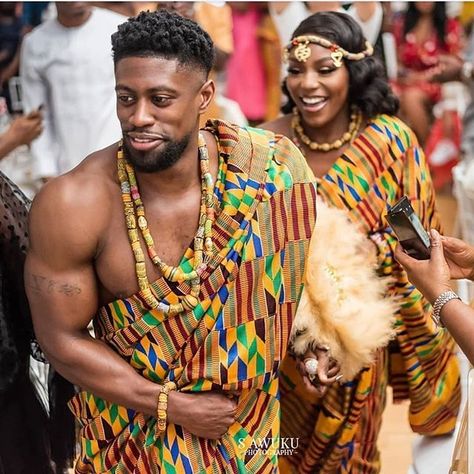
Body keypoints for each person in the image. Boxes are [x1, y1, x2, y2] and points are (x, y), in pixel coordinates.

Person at [25, 10, 324, 472]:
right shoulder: (72, 204)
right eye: (126, 98)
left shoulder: (270, 171)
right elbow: (59, 338)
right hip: (130, 443)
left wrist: (312, 342)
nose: (139, 117)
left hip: (245, 433)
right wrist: (172, 405)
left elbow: (291, 275)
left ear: (204, 95)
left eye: (160, 99)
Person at [261, 11, 461, 472]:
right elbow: (250, 259)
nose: (307, 84)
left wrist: (369, 263)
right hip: (280, 358)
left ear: (354, 70)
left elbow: (424, 257)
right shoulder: (266, 146)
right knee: (275, 458)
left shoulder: (390, 142)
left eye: (325, 69)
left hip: (360, 351)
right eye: (296, 69)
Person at [20, 2, 126, 182]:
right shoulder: (35, 43)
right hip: (67, 167)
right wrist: (47, 171)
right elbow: (37, 115)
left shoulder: (120, 29)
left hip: (121, 160)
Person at [392, 2, 462, 146]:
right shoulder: (401, 24)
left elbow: (454, 65)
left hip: (438, 81)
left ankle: (425, 151)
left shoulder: (450, 25)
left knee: (411, 97)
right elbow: (396, 59)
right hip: (406, 80)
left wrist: (421, 78)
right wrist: (404, 74)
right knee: (387, 93)